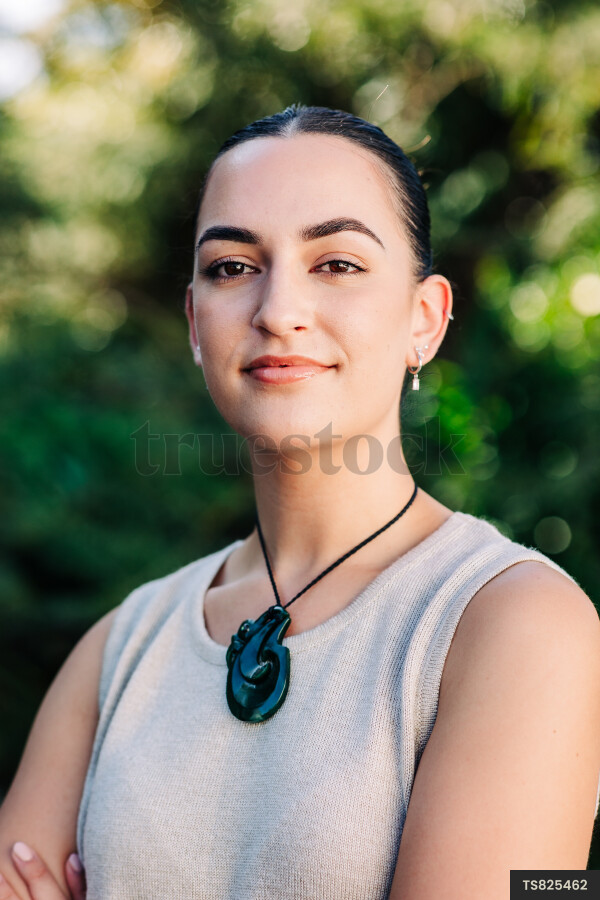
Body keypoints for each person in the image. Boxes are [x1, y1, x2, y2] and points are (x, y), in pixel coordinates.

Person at [0, 105, 599, 900]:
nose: (277, 310)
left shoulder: (517, 625)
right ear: (194, 322)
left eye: (337, 263)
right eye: (232, 267)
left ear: (425, 320)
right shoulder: (120, 650)